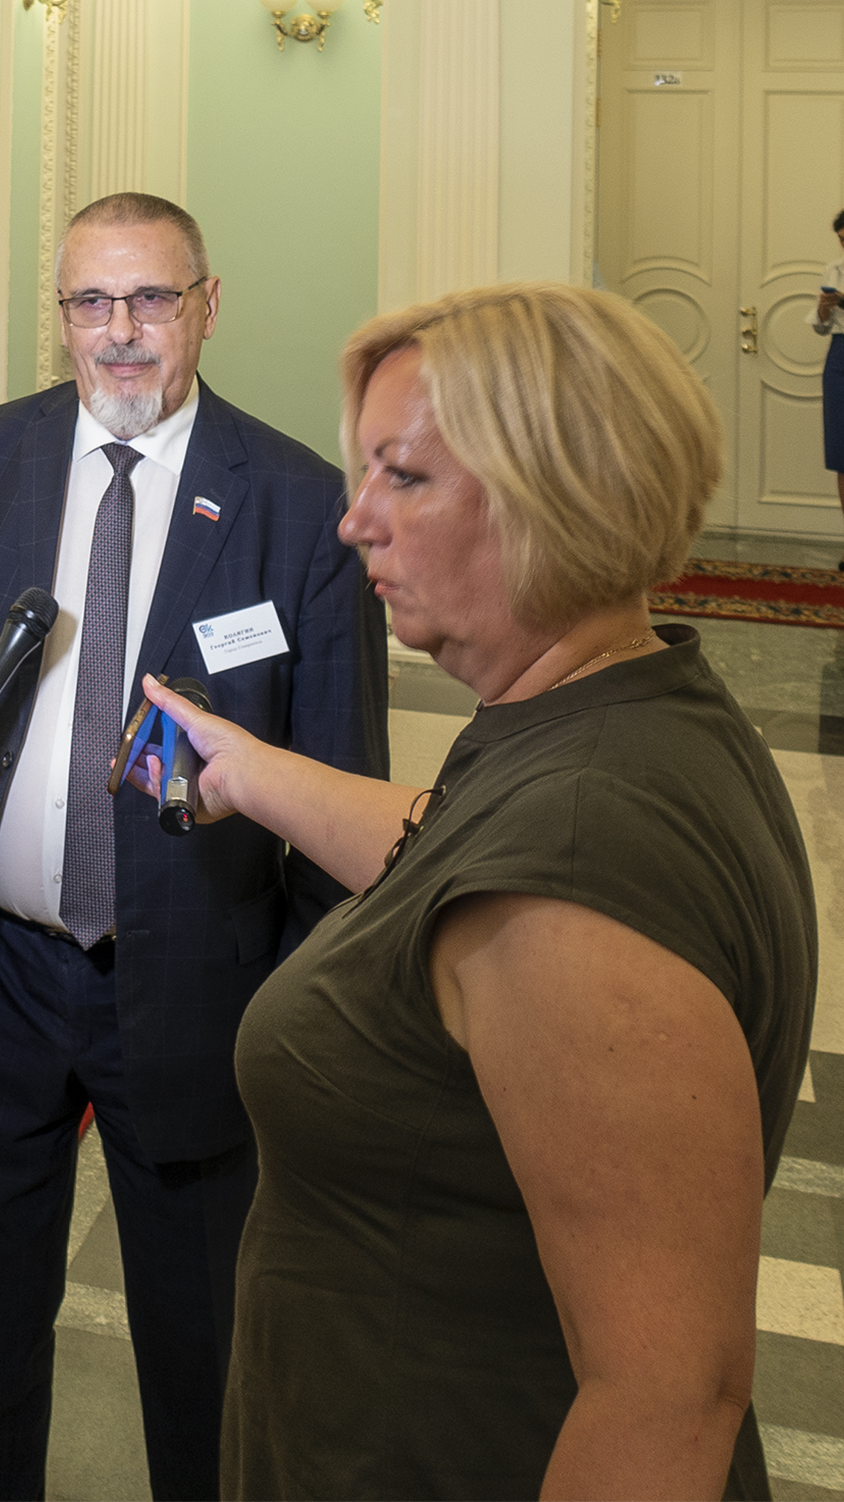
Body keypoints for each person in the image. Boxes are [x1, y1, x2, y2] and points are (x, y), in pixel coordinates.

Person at [122, 282, 816, 1500]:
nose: (352, 522)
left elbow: (663, 1398)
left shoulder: (574, 879)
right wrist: (251, 773)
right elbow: (452, 848)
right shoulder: (610, 714)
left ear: (555, 498)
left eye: (401, 477)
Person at [0, 192, 388, 1501]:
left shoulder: (296, 501)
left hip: (196, 979)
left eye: (150, 298)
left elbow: (338, 790)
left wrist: (304, 1009)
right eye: (91, 301)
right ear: (63, 316)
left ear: (207, 305)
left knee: (204, 1344)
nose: (121, 330)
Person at [818, 206, 843, 564]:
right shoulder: (833, 269)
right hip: (839, 356)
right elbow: (822, 326)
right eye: (841, 239)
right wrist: (824, 309)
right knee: (841, 454)